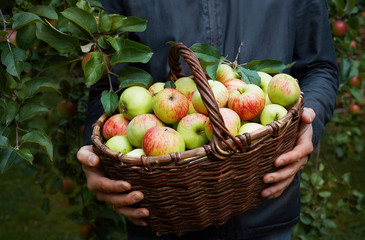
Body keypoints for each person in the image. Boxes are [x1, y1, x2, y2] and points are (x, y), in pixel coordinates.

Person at [77, 0, 339, 239]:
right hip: (161, 208)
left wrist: (308, 126)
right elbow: (106, 84)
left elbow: (320, 66)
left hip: (267, 204)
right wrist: (99, 157)